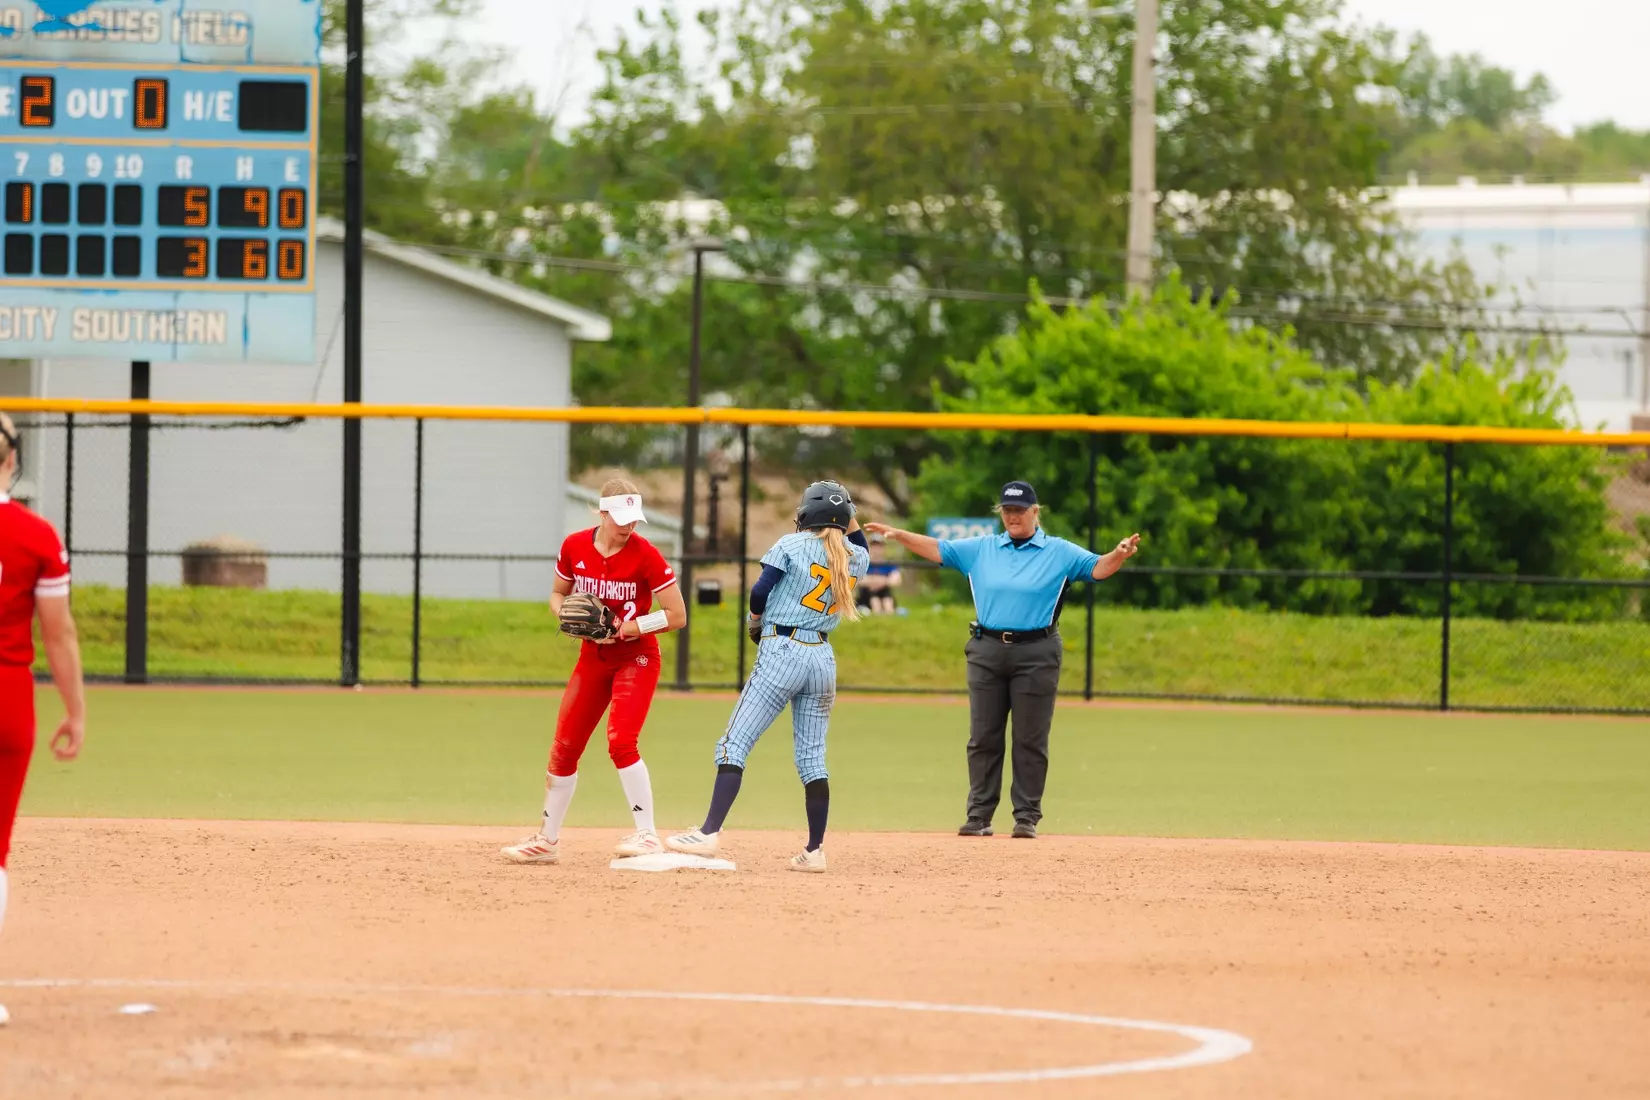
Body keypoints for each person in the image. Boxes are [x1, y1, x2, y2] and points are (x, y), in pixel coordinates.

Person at [866, 481, 1139, 840]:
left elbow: (1098, 569)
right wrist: (899, 534)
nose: (1012, 517)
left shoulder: (1058, 552)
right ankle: (979, 815)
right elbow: (939, 549)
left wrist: (1118, 554)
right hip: (987, 649)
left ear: (1035, 512)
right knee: (983, 736)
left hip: (1036, 651)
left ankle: (1026, 816)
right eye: (1007, 511)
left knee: (1030, 738)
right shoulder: (982, 549)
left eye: (1019, 511)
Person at [667, 480, 870, 872]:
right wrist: (848, 508)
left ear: (806, 514)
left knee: (733, 744)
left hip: (783, 650)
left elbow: (760, 590)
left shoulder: (790, 544)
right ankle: (814, 851)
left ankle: (708, 832)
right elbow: (862, 543)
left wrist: (755, 621)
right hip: (822, 657)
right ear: (844, 518)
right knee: (813, 759)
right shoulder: (852, 555)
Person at [501, 478, 687, 864]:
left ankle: (647, 835)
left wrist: (633, 627)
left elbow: (677, 615)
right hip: (593, 657)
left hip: (636, 657)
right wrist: (566, 615)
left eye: (633, 519)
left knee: (621, 741)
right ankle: (546, 841)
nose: (628, 526)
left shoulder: (646, 554)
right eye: (620, 518)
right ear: (601, 513)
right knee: (564, 747)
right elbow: (558, 594)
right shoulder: (574, 547)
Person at [0, 413, 86, 1028]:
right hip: (7, 701)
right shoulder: (36, 536)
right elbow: (58, 632)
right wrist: (76, 711)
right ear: (10, 460)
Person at [855, 535, 903, 615]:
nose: (876, 549)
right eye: (874, 546)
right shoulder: (863, 564)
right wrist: (884, 580)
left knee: (886, 597)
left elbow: (896, 580)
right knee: (873, 595)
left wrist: (873, 580)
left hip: (884, 594)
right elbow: (858, 581)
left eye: (879, 546)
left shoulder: (889, 564)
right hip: (866, 596)